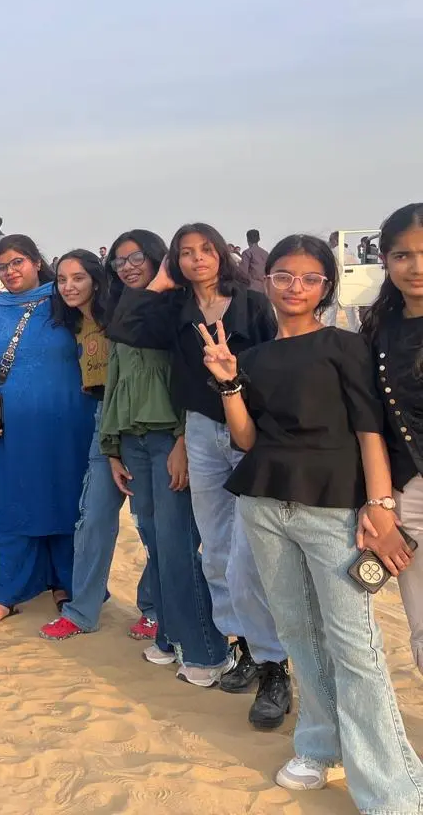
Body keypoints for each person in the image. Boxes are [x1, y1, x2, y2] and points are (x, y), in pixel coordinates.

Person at [201, 234, 423, 807]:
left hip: (333, 508)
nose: (294, 287)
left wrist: (380, 506)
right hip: (265, 504)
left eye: (309, 278)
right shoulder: (253, 356)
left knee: (355, 645)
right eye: (283, 276)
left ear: (326, 285)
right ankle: (320, 746)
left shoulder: (345, 345)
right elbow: (247, 440)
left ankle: (393, 787)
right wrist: (228, 380)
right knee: (299, 634)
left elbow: (369, 431)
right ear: (266, 280)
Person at [107, 222, 289, 730]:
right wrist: (161, 282)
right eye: (185, 253)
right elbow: (124, 328)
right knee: (218, 549)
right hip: (203, 433)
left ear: (221, 253)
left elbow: (275, 369)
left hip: (251, 430)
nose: (197, 259)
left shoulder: (252, 304)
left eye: (206, 249)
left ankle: (275, 664)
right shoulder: (176, 309)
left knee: (257, 551)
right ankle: (247, 647)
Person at [89, 231, 225, 682]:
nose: (127, 267)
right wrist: (111, 447)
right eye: (119, 261)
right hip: (133, 441)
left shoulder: (175, 310)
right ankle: (169, 636)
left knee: (178, 544)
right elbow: (115, 383)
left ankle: (206, 651)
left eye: (136, 258)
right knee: (152, 542)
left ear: (157, 259)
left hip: (170, 438)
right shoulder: (123, 314)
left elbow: (191, 381)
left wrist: (184, 441)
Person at [0, 236, 94, 634]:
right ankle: (8, 594)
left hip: (69, 425)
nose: (9, 271)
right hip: (13, 432)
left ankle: (66, 585)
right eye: (1, 266)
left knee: (66, 501)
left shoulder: (64, 299)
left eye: (17, 262)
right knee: (12, 505)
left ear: (36, 261)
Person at [38, 251, 161, 647]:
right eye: (61, 279)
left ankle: (155, 608)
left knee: (152, 524)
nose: (69, 286)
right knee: (92, 519)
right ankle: (82, 611)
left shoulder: (118, 315)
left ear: (96, 278)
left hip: (139, 420)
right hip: (102, 418)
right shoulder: (74, 322)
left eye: (78, 277)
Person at [362, 203, 423, 671]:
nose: (416, 267)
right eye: (403, 255)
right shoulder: (378, 326)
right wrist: (379, 505)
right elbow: (370, 422)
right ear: (385, 260)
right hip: (409, 493)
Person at [239, 229, 268, 293]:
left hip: (251, 288)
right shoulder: (265, 254)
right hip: (264, 289)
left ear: (247, 239)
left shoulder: (247, 252)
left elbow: (243, 272)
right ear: (259, 239)